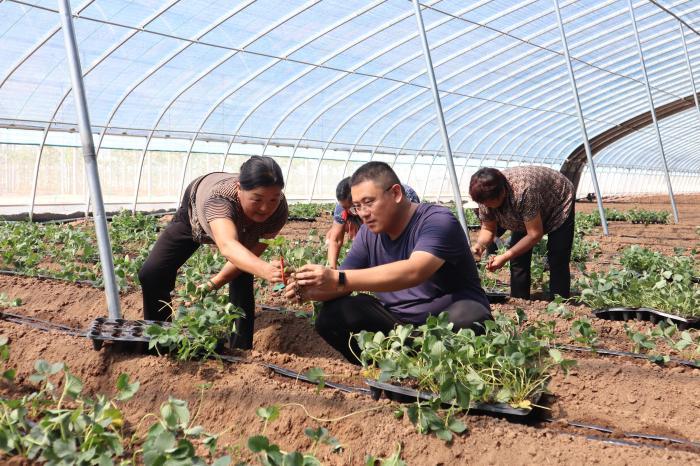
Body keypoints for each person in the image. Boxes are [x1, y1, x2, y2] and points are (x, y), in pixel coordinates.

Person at [285, 162, 491, 364]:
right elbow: (340, 286)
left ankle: (435, 369)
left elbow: (414, 271)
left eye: (369, 202)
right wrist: (308, 290)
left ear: (396, 193)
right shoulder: (368, 234)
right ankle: (389, 370)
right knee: (332, 315)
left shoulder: (437, 220)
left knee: (468, 316)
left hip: (444, 322)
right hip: (399, 328)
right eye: (357, 206)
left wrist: (337, 277)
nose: (363, 213)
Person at [138, 156, 288, 349]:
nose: (265, 207)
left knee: (244, 271)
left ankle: (241, 349)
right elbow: (228, 245)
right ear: (239, 188)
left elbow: (248, 255)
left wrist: (211, 284)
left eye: (273, 199)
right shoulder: (220, 198)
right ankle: (161, 339)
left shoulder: (279, 210)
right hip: (196, 209)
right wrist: (266, 270)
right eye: (256, 199)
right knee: (152, 273)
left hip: (243, 229)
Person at [469, 166, 575, 300]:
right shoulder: (485, 197)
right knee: (518, 258)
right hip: (527, 209)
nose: (487, 206)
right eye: (484, 203)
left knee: (558, 255)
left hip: (558, 200)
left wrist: (504, 256)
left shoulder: (523, 191)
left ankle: (559, 302)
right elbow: (488, 228)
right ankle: (520, 299)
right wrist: (480, 246)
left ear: (502, 192)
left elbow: (534, 234)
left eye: (490, 203)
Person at [326, 177, 420, 269]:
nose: (347, 211)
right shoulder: (343, 207)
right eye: (345, 207)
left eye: (352, 207)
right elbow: (336, 239)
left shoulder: (398, 196)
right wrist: (331, 269)